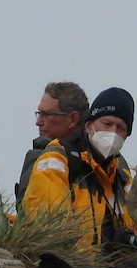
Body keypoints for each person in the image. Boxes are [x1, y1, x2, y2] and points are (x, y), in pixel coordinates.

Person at [22, 87, 137, 251]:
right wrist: (100, 252)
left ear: (126, 136)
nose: (113, 133)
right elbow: (51, 228)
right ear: (88, 126)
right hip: (71, 267)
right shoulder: (57, 160)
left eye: (120, 128)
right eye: (107, 124)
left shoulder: (122, 176)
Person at [15, 82, 89, 210]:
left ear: (72, 119)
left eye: (46, 114)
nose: (38, 122)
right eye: (39, 113)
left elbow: (43, 223)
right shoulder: (102, 159)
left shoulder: (102, 163)